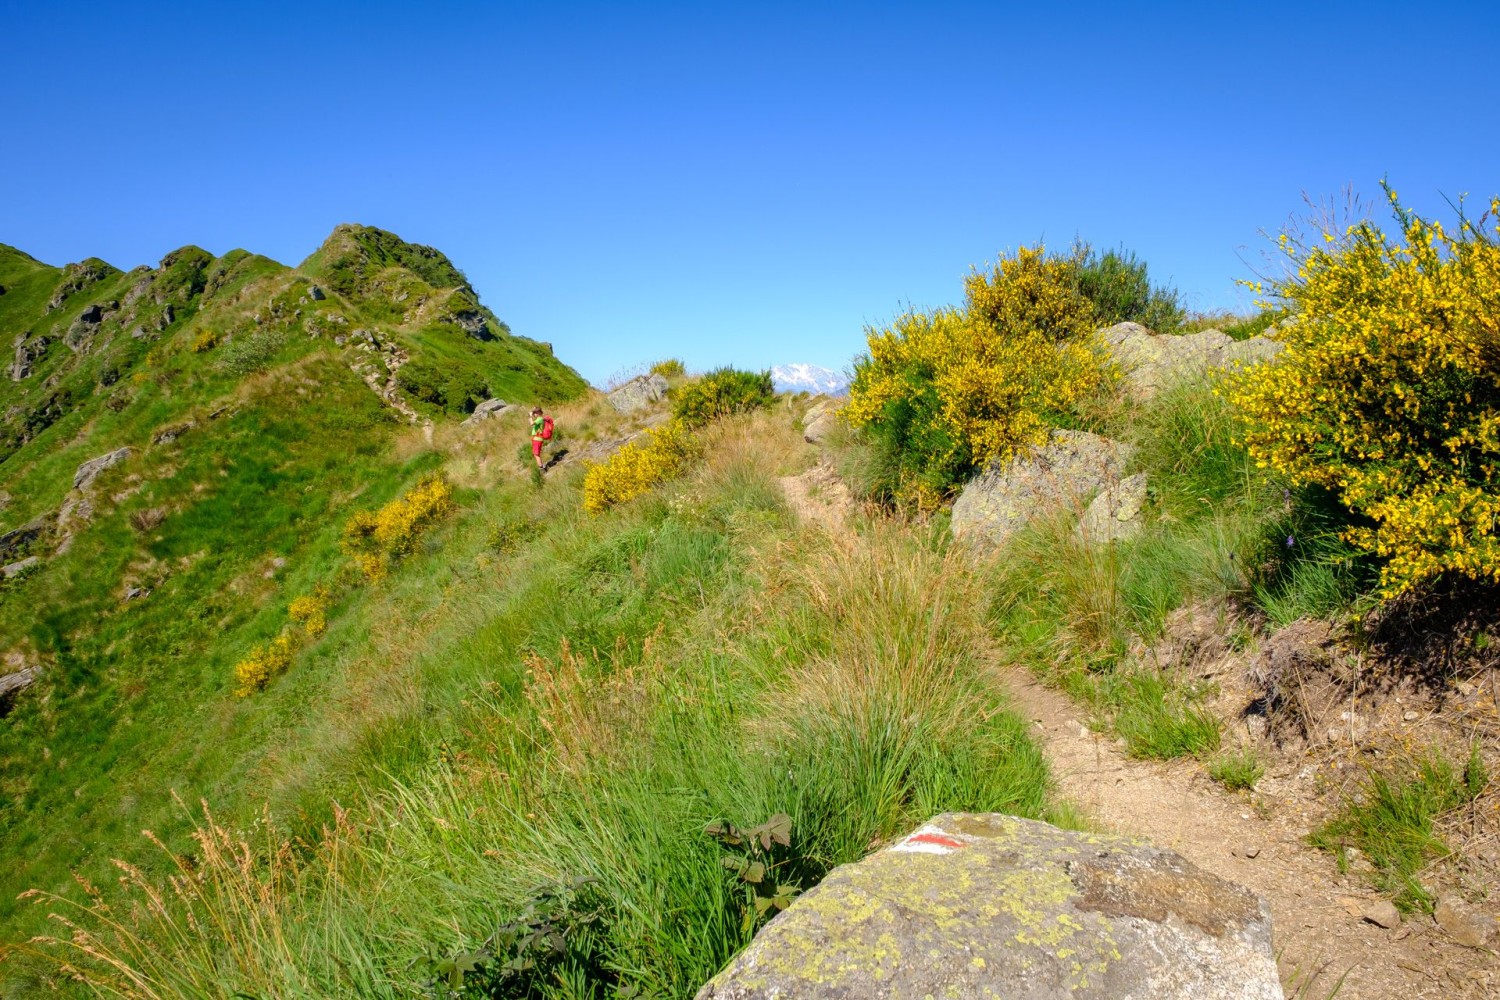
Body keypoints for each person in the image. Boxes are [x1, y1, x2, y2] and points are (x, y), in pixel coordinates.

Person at [530, 406, 548, 471]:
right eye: (534, 413)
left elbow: (531, 423)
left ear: (538, 413)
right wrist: (530, 416)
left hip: (537, 439)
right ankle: (542, 466)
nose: (534, 414)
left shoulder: (540, 419)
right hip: (537, 438)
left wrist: (530, 416)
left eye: (535, 413)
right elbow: (531, 423)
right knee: (536, 454)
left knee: (536, 454)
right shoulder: (540, 419)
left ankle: (541, 468)